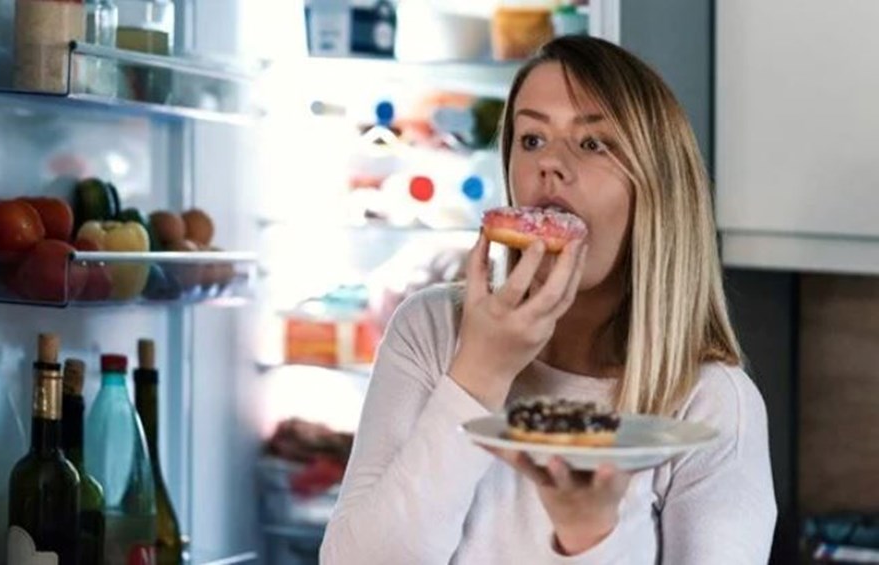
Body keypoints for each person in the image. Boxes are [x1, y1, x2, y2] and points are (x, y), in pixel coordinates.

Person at [319, 36, 777, 564]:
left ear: (657, 188)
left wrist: (588, 537)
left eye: (592, 144)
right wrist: (478, 375)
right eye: (532, 139)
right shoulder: (430, 329)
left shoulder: (710, 403)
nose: (550, 166)